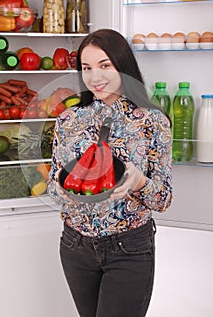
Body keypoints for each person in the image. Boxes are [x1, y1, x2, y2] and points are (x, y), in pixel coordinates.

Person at [48, 28, 173, 317]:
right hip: (74, 246)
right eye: (86, 68)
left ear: (123, 65)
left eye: (105, 65)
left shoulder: (152, 121)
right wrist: (61, 187)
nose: (95, 77)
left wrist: (139, 182)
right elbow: (54, 187)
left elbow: (164, 199)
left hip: (128, 248)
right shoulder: (68, 119)